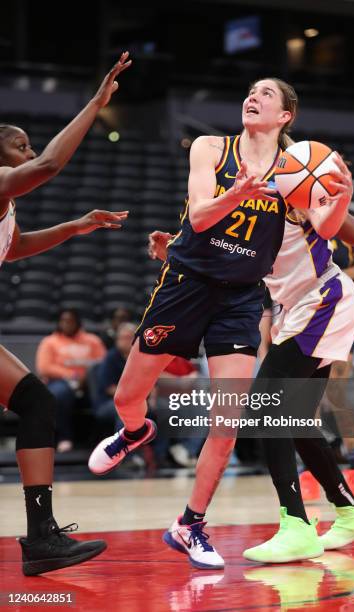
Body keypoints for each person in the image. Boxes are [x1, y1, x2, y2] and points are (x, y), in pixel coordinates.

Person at [88, 76, 354, 569]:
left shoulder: (293, 169)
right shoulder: (213, 148)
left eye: (266, 95)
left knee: (227, 424)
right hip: (184, 286)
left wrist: (342, 195)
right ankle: (132, 433)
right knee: (128, 397)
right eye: (250, 92)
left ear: (285, 117)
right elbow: (199, 219)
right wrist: (236, 193)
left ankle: (190, 524)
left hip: (240, 300)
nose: (252, 97)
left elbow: (325, 227)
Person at [0, 51, 131, 575]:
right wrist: (96, 103)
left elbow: (11, 249)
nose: (29, 152)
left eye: (29, 145)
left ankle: (40, 539)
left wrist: (73, 227)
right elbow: (50, 165)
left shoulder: (7, 205)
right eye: (19, 145)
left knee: (35, 402)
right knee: (35, 400)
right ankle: (40, 539)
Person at [297, 237, 354, 501]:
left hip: (342, 316)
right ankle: (310, 469)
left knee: (336, 395)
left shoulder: (347, 231)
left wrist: (337, 273)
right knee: (309, 398)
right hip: (307, 317)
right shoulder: (300, 227)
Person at [36, 309, 106, 452]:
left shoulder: (92, 341)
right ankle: (64, 437)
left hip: (89, 382)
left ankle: (100, 440)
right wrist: (73, 375)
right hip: (60, 381)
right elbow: (44, 367)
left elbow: (103, 364)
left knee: (103, 395)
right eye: (63, 321)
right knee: (60, 394)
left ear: (78, 323)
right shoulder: (50, 342)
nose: (66, 324)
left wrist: (86, 377)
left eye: (70, 321)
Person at [94, 322, 137, 429]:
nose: (124, 341)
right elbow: (110, 388)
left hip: (139, 400)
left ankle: (162, 446)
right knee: (127, 409)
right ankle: (123, 444)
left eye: (128, 337)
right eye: (121, 338)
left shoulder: (141, 357)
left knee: (164, 404)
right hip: (109, 402)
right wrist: (135, 397)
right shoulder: (111, 357)